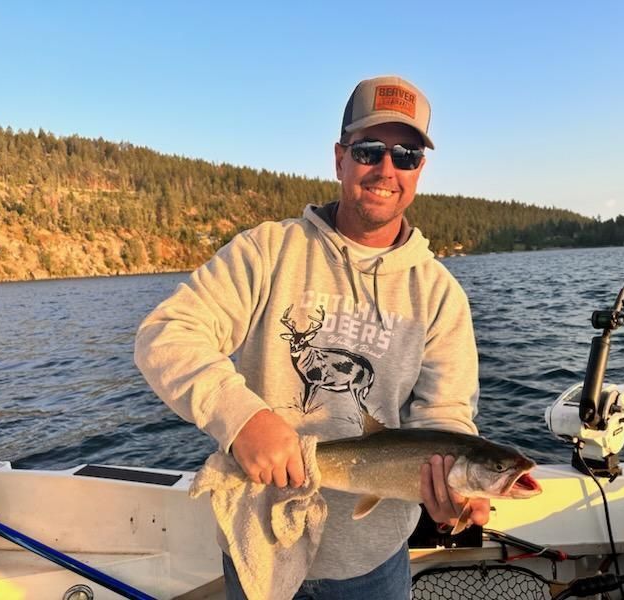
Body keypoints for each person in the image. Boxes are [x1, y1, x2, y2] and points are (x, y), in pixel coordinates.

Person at [134, 75, 491, 599]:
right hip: (260, 544)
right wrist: (244, 419)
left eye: (406, 155)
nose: (386, 169)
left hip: (373, 562)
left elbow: (445, 414)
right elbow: (167, 334)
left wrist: (455, 486)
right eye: (370, 150)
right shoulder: (266, 251)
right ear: (340, 158)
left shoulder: (439, 294)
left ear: (420, 170)